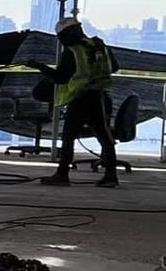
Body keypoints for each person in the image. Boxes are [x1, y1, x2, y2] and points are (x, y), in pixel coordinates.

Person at [33, 15, 119, 187]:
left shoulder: (72, 51)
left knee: (70, 136)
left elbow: (61, 78)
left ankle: (63, 175)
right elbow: (115, 67)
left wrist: (40, 67)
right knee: (104, 136)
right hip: (101, 98)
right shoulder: (100, 46)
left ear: (66, 35)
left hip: (83, 99)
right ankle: (109, 175)